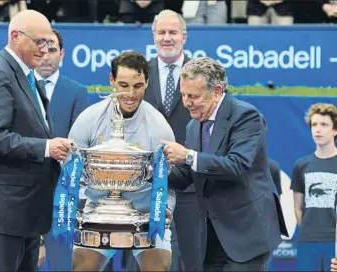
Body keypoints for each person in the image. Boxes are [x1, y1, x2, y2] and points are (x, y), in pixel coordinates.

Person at [0, 10, 73, 271]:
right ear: (15, 36)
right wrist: (46, 148)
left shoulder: (27, 77)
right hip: (0, 211)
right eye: (39, 42)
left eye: (49, 43)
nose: (44, 50)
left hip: (23, 211)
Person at [162, 57, 288, 271]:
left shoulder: (246, 116)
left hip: (248, 234)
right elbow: (186, 177)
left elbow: (236, 165)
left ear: (217, 90)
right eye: (183, 95)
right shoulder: (194, 125)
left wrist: (189, 156)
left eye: (193, 96)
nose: (186, 102)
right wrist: (153, 171)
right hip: (211, 237)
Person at [70, 51, 176, 272]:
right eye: (123, 84)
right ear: (111, 80)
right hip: (98, 211)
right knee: (83, 266)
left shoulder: (159, 126)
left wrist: (164, 209)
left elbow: (169, 180)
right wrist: (78, 209)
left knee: (158, 267)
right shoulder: (89, 119)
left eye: (137, 86)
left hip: (147, 213)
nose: (130, 94)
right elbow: (71, 171)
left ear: (147, 82)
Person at [143, 9, 201, 272]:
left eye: (173, 32)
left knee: (191, 259)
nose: (167, 38)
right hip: (146, 186)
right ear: (154, 36)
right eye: (161, 32)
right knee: (146, 259)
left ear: (184, 37)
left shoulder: (202, 74)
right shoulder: (139, 74)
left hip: (190, 185)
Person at [34, 29, 88, 271]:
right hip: (21, 188)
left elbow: (80, 145)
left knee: (61, 263)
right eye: (40, 50)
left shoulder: (77, 92)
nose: (46, 56)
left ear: (62, 54)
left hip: (63, 192)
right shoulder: (16, 87)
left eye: (52, 50)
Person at [290, 103, 337, 271]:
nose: (318, 129)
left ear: (334, 130)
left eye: (324, 125)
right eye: (314, 124)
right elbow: (297, 207)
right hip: (307, 242)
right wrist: (310, 232)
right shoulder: (301, 165)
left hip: (334, 242)